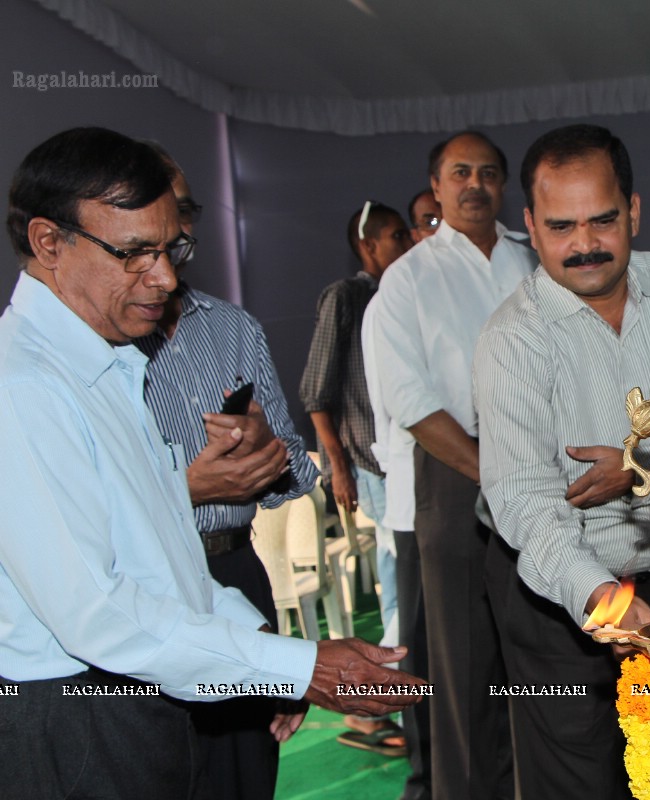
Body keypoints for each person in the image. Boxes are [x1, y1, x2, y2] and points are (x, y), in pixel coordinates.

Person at [0, 127, 426, 799]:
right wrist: (292, 666)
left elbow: (161, 559)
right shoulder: (22, 387)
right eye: (134, 253)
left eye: (172, 249)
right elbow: (99, 613)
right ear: (50, 242)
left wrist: (263, 642)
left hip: (147, 693)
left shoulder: (108, 363)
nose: (165, 278)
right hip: (79, 716)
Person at [474, 124, 650, 800]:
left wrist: (642, 467)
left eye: (603, 220)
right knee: (581, 778)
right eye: (561, 226)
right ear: (530, 227)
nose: (584, 244)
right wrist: (599, 597)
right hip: (554, 593)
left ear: (635, 212)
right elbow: (525, 501)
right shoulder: (512, 339)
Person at [134, 144, 321, 799]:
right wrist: (187, 487)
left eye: (182, 211)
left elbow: (299, 473)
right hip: (143, 584)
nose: (172, 230)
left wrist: (269, 451)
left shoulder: (235, 328)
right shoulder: (98, 347)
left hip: (238, 574)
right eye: (151, 213)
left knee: (246, 774)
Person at [366, 130, 535, 800]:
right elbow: (410, 401)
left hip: (550, 476)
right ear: (435, 187)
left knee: (543, 661)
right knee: (463, 674)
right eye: (459, 172)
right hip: (454, 476)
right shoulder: (406, 280)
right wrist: (491, 471)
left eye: (489, 172)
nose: (475, 185)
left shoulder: (535, 262)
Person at [299, 200, 428, 781]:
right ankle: (378, 710)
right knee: (402, 586)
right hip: (371, 467)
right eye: (397, 235)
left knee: (406, 585)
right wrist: (338, 467)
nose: (407, 242)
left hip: (402, 465)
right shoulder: (345, 297)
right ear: (368, 246)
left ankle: (391, 707)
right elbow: (315, 391)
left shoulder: (405, 291)